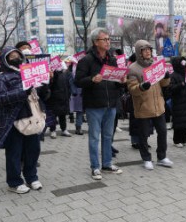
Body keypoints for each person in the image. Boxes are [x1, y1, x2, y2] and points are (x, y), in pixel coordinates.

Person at [0, 47, 47, 193]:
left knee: (33, 151)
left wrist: (46, 83)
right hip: (13, 120)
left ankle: (32, 177)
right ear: (4, 59)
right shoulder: (1, 77)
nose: (16, 58)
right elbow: (0, 98)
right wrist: (23, 92)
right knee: (14, 153)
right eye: (12, 56)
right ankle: (14, 182)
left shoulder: (28, 72)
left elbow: (43, 95)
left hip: (33, 118)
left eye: (18, 55)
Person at [75, 28, 123, 180]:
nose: (108, 42)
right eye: (105, 39)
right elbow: (78, 81)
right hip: (94, 105)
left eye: (109, 39)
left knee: (108, 136)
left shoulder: (112, 59)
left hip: (111, 104)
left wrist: (122, 81)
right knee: (94, 137)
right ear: (96, 42)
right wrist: (91, 80)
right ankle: (95, 167)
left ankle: (107, 164)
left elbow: (115, 82)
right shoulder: (86, 60)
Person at [127, 40, 174, 170]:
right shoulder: (133, 68)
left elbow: (164, 85)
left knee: (163, 132)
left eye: (149, 49)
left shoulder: (156, 64)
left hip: (158, 105)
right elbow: (132, 89)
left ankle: (162, 157)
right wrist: (141, 87)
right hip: (143, 106)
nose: (148, 52)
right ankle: (146, 158)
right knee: (143, 134)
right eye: (144, 50)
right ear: (139, 52)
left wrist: (166, 77)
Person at [45, 62, 72, 138]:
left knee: (63, 115)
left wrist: (68, 94)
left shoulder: (65, 74)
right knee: (53, 115)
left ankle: (64, 129)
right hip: (54, 98)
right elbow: (49, 86)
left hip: (64, 98)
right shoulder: (52, 74)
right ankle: (53, 130)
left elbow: (68, 85)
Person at [169, 56, 186, 148]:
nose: (183, 65)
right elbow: (171, 88)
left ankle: (184, 139)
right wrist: (180, 85)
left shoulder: (185, 74)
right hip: (177, 102)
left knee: (185, 122)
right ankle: (176, 140)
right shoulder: (173, 75)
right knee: (178, 122)